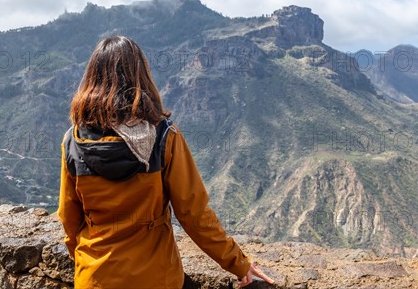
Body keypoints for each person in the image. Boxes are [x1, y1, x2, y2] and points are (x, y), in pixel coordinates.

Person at [58, 36, 273, 288]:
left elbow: (69, 218)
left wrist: (85, 258)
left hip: (95, 277)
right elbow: (194, 215)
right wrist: (238, 263)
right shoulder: (163, 136)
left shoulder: (74, 140)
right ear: (141, 75)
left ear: (92, 79)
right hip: (155, 277)